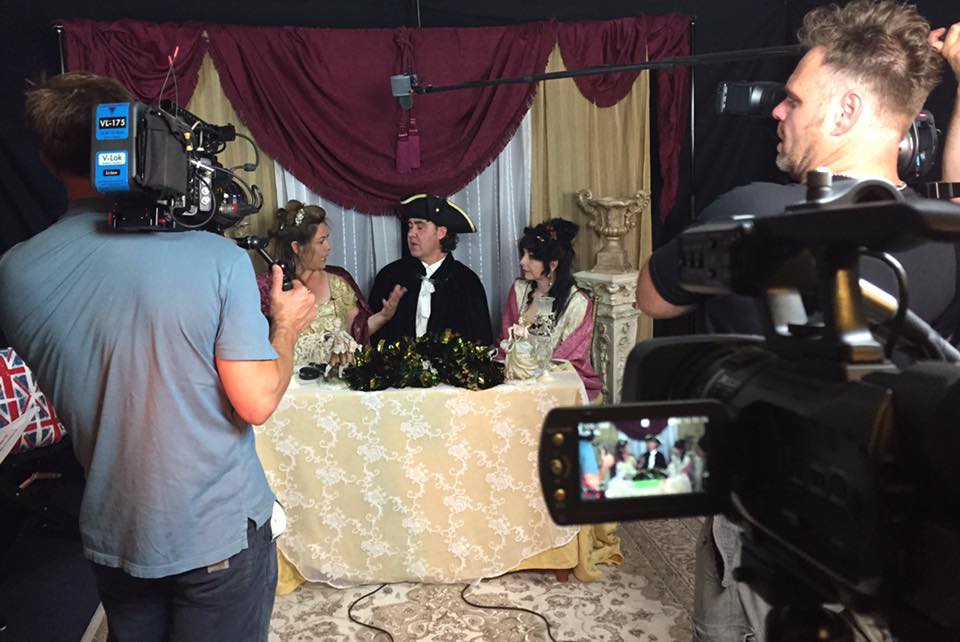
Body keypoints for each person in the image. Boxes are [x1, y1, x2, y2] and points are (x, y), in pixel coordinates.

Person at [635, 3, 960, 640]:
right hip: (888, 528)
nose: (777, 113)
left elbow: (654, 297)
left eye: (793, 99)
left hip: (762, 508)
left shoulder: (753, 210)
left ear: (845, 111)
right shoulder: (940, 233)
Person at [0, 72, 317, 642]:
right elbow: (256, 401)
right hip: (218, 536)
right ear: (138, 139)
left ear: (47, 160)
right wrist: (286, 327)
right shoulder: (216, 259)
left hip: (114, 533)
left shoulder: (15, 273)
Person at [256, 200, 406, 364]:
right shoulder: (268, 289)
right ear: (297, 247)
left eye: (326, 239)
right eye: (321, 241)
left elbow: (357, 331)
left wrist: (384, 316)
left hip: (340, 377)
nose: (328, 247)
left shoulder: (338, 280)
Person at [368, 194, 493, 345]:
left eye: (420, 227)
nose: (411, 234)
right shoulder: (390, 277)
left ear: (441, 232)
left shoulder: (466, 283)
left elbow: (481, 344)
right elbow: (369, 340)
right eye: (410, 226)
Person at [498, 218, 602, 399]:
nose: (522, 262)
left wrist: (532, 377)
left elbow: (570, 356)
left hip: (555, 382)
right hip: (516, 377)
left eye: (531, 256)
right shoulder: (519, 290)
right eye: (523, 254)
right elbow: (507, 339)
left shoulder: (577, 303)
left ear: (553, 264)